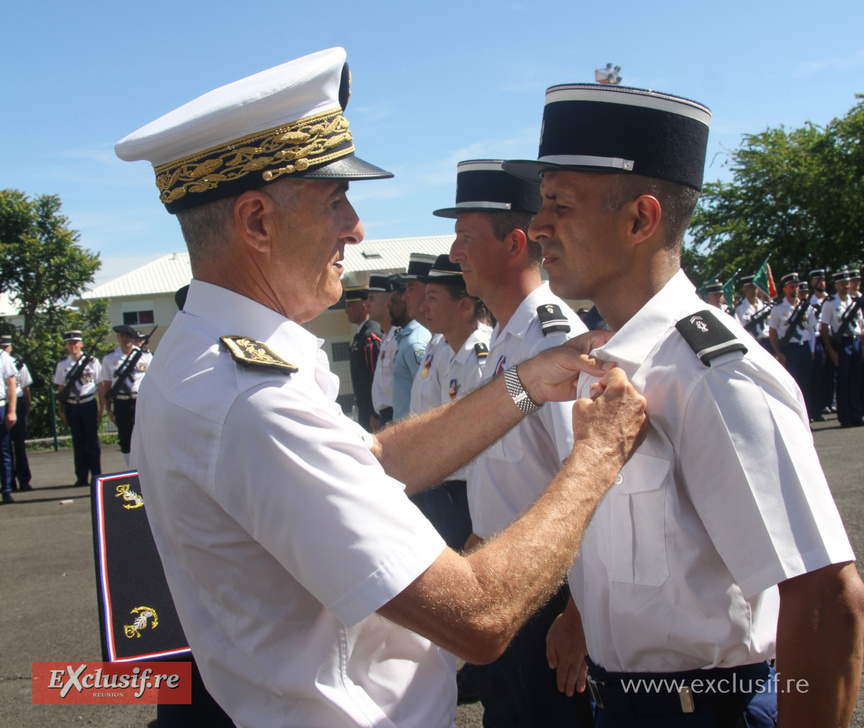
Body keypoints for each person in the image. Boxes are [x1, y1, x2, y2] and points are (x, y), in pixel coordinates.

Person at [115, 48, 647, 728]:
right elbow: (478, 616)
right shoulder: (252, 400)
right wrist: (598, 456)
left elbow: (378, 462)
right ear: (256, 222)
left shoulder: (206, 356)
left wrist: (526, 383)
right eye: (335, 200)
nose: (356, 227)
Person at [505, 81, 864, 727]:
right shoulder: (603, 364)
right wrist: (583, 614)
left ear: (640, 220)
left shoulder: (715, 377)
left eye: (561, 203)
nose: (538, 225)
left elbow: (825, 599)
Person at [438, 159, 592, 727]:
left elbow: (591, 479)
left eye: (467, 237)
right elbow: (505, 476)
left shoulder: (553, 339)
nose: (454, 252)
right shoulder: (506, 339)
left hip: (549, 596)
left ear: (514, 243)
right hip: (503, 584)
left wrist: (580, 616)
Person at [99, 324, 153, 468]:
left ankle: (147, 469)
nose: (125, 339)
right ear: (117, 338)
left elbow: (153, 382)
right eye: (122, 336)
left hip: (140, 401)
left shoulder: (146, 356)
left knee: (145, 437)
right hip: (121, 402)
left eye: (128, 336)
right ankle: (131, 470)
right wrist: (108, 408)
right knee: (125, 438)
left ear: (133, 338)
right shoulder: (109, 358)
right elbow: (107, 384)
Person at [54, 330, 102, 487]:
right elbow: (61, 388)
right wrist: (60, 409)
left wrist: (102, 408)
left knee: (92, 441)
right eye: (69, 343)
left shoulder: (92, 362)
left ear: (81, 344)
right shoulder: (62, 365)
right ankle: (81, 477)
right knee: (78, 442)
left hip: (88, 403)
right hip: (72, 405)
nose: (72, 346)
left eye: (75, 343)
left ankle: (96, 475)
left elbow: (100, 385)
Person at [388, 258, 432, 421]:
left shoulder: (416, 342)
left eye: (411, 289)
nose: (405, 297)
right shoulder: (425, 339)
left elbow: (427, 400)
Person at [820, 267, 863, 428]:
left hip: (855, 341)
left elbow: (860, 325)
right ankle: (844, 417)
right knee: (843, 381)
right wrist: (831, 350)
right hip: (842, 343)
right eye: (842, 284)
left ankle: (856, 414)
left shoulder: (854, 302)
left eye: (847, 283)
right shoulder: (830, 304)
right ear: (837, 285)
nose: (845, 286)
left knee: (856, 379)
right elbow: (824, 328)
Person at [769, 272, 816, 415]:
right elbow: (772, 332)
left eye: (796, 286)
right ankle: (794, 414)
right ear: (784, 288)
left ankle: (807, 414)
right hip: (790, 350)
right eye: (791, 287)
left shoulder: (806, 307)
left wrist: (812, 349)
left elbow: (811, 329)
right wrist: (778, 352)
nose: (795, 289)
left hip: (804, 347)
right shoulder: (778, 308)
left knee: (806, 383)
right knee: (792, 384)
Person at [343, 284, 382, 431]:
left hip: (372, 415)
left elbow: (375, 378)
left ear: (363, 308)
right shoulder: (361, 336)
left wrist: (375, 413)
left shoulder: (370, 336)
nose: (346, 310)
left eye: (349, 305)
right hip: (365, 411)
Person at [1, 334, 32, 491]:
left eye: (6, 346)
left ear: (11, 347)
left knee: (19, 444)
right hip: (3, 403)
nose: (4, 349)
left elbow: (26, 391)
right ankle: (9, 481)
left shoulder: (19, 364)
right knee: (4, 446)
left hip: (17, 403)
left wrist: (25, 413)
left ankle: (24, 479)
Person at [367, 273, 396, 431]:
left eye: (372, 298)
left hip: (396, 416)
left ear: (388, 301)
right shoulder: (386, 338)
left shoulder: (399, 339)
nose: (367, 303)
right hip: (384, 417)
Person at [735, 274, 773, 353]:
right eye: (751, 287)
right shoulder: (739, 309)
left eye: (756, 287)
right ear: (744, 289)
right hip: (751, 344)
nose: (754, 290)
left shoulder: (764, 306)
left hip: (767, 342)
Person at [0, 340, 17, 504]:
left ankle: (6, 489)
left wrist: (11, 410)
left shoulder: (2, 356)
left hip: (0, 406)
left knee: (3, 451)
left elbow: (11, 383)